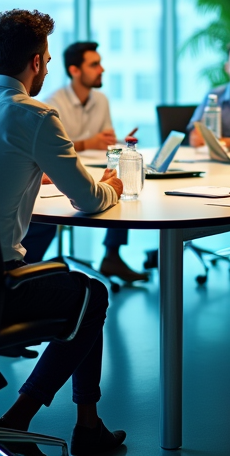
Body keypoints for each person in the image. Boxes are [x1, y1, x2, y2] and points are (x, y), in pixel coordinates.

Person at [0, 9, 127, 456]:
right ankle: (22, 419)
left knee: (79, 292)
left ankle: (89, 425)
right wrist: (111, 187)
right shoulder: (35, 115)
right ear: (36, 63)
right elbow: (90, 200)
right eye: (49, 58)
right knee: (90, 295)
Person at [43, 41, 147, 284]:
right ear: (75, 70)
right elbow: (53, 150)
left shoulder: (101, 100)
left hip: (96, 166)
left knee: (119, 182)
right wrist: (89, 142)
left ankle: (112, 255)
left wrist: (113, 142)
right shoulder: (52, 103)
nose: (102, 69)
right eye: (95, 65)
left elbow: (106, 141)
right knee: (109, 186)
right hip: (65, 173)